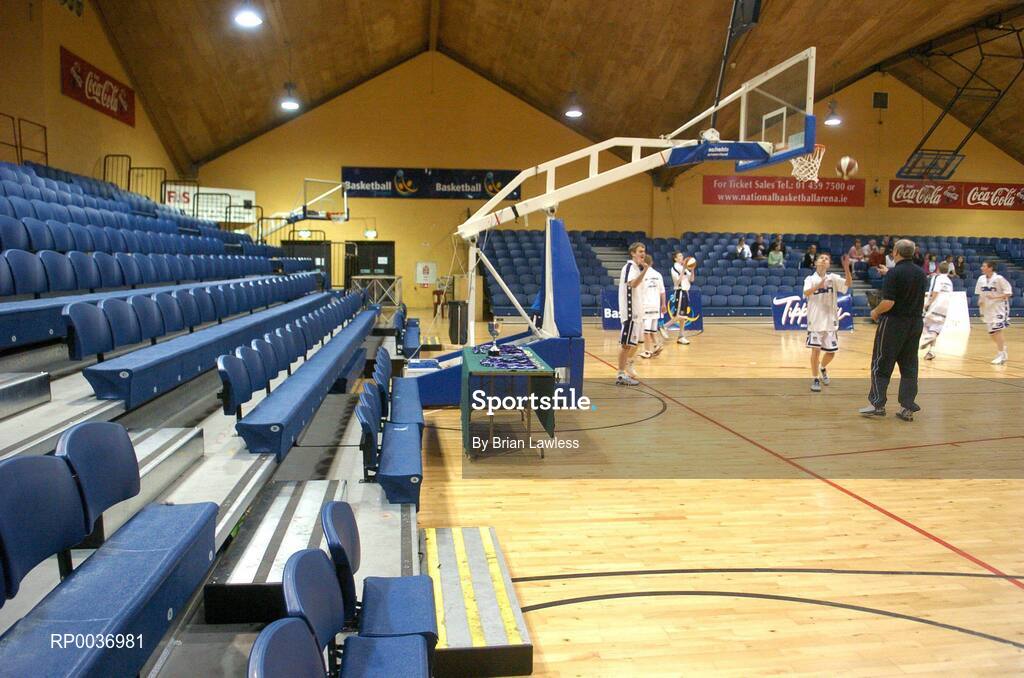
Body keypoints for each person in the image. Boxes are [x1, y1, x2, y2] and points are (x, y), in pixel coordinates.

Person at [861, 239, 928, 421]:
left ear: (896, 252)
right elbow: (908, 283)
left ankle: (877, 404)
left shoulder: (895, 274)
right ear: (913, 253)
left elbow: (889, 302)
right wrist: (889, 273)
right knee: (909, 366)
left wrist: (875, 311)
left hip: (894, 324)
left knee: (881, 364)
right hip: (915, 323)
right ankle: (907, 407)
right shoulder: (921, 273)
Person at [804, 253, 853, 392]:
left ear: (829, 264)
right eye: (821, 258)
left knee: (831, 352)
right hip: (815, 320)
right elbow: (806, 293)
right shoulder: (810, 278)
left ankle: (822, 367)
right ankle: (815, 378)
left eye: (827, 259)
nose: (824, 260)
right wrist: (818, 285)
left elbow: (848, 285)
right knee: (815, 351)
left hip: (831, 321)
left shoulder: (833, 278)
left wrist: (847, 269)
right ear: (816, 262)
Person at [617, 242, 647, 385]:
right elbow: (633, 284)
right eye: (640, 251)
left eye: (644, 251)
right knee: (625, 345)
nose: (643, 253)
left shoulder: (636, 268)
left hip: (637, 314)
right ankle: (621, 374)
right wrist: (645, 271)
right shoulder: (629, 267)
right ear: (633, 253)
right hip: (630, 314)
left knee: (634, 344)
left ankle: (627, 365)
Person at [975, 260, 1012, 365]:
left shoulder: (999, 279)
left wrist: (995, 297)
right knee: (991, 333)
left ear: (990, 268)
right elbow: (980, 293)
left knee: (997, 330)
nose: (982, 268)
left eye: (984, 266)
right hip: (987, 308)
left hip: (999, 308)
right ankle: (1003, 349)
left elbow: (1008, 293)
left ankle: (1001, 354)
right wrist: (980, 302)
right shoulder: (981, 279)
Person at [920, 261, 954, 361]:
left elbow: (935, 291)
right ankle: (931, 351)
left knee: (923, 323)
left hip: (936, 304)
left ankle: (927, 337)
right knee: (935, 327)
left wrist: (928, 303)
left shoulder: (937, 278)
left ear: (938, 269)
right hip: (946, 306)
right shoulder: (949, 281)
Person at [639, 254, 667, 359]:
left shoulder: (641, 275)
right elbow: (662, 291)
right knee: (652, 330)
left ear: (643, 262)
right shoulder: (658, 274)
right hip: (656, 305)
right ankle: (657, 345)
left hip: (646, 305)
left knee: (646, 331)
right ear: (652, 262)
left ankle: (647, 351)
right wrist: (663, 304)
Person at [668, 251, 694, 344]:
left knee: (683, 317)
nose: (682, 257)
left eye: (682, 255)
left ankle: (681, 336)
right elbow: (677, 282)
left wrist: (692, 269)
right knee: (680, 315)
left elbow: (692, 280)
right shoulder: (674, 268)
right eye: (679, 256)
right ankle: (665, 326)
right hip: (680, 291)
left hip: (686, 292)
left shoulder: (685, 268)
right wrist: (683, 269)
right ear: (675, 258)